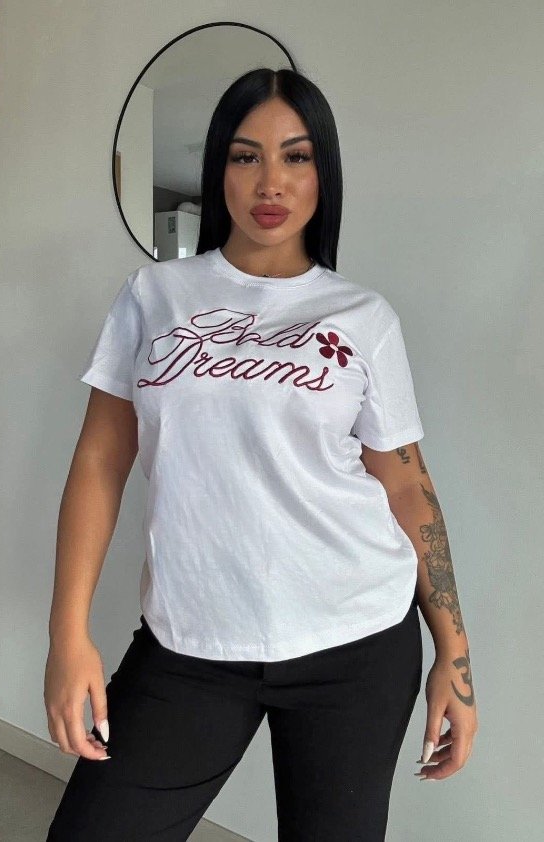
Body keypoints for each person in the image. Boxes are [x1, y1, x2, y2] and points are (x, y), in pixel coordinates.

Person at [45, 67, 478, 841]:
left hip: (358, 642)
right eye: (246, 156)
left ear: (323, 172)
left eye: (296, 156)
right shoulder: (154, 296)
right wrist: (66, 634)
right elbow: (100, 463)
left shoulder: (363, 317)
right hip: (190, 645)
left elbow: (407, 487)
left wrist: (456, 655)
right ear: (219, 169)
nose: (270, 181)